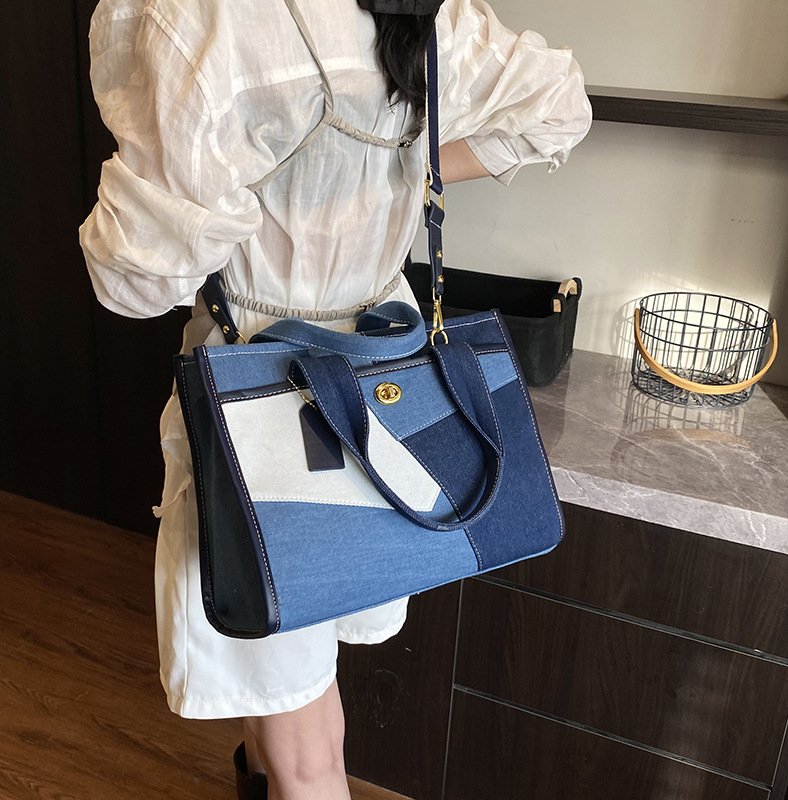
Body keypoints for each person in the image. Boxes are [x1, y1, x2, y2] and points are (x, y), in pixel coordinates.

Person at [79, 0, 591, 797]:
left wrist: (287, 177)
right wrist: (387, 165)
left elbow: (133, 281)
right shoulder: (428, 10)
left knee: (301, 727)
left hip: (264, 391)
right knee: (291, 658)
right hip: (382, 374)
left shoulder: (205, 15)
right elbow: (558, 105)